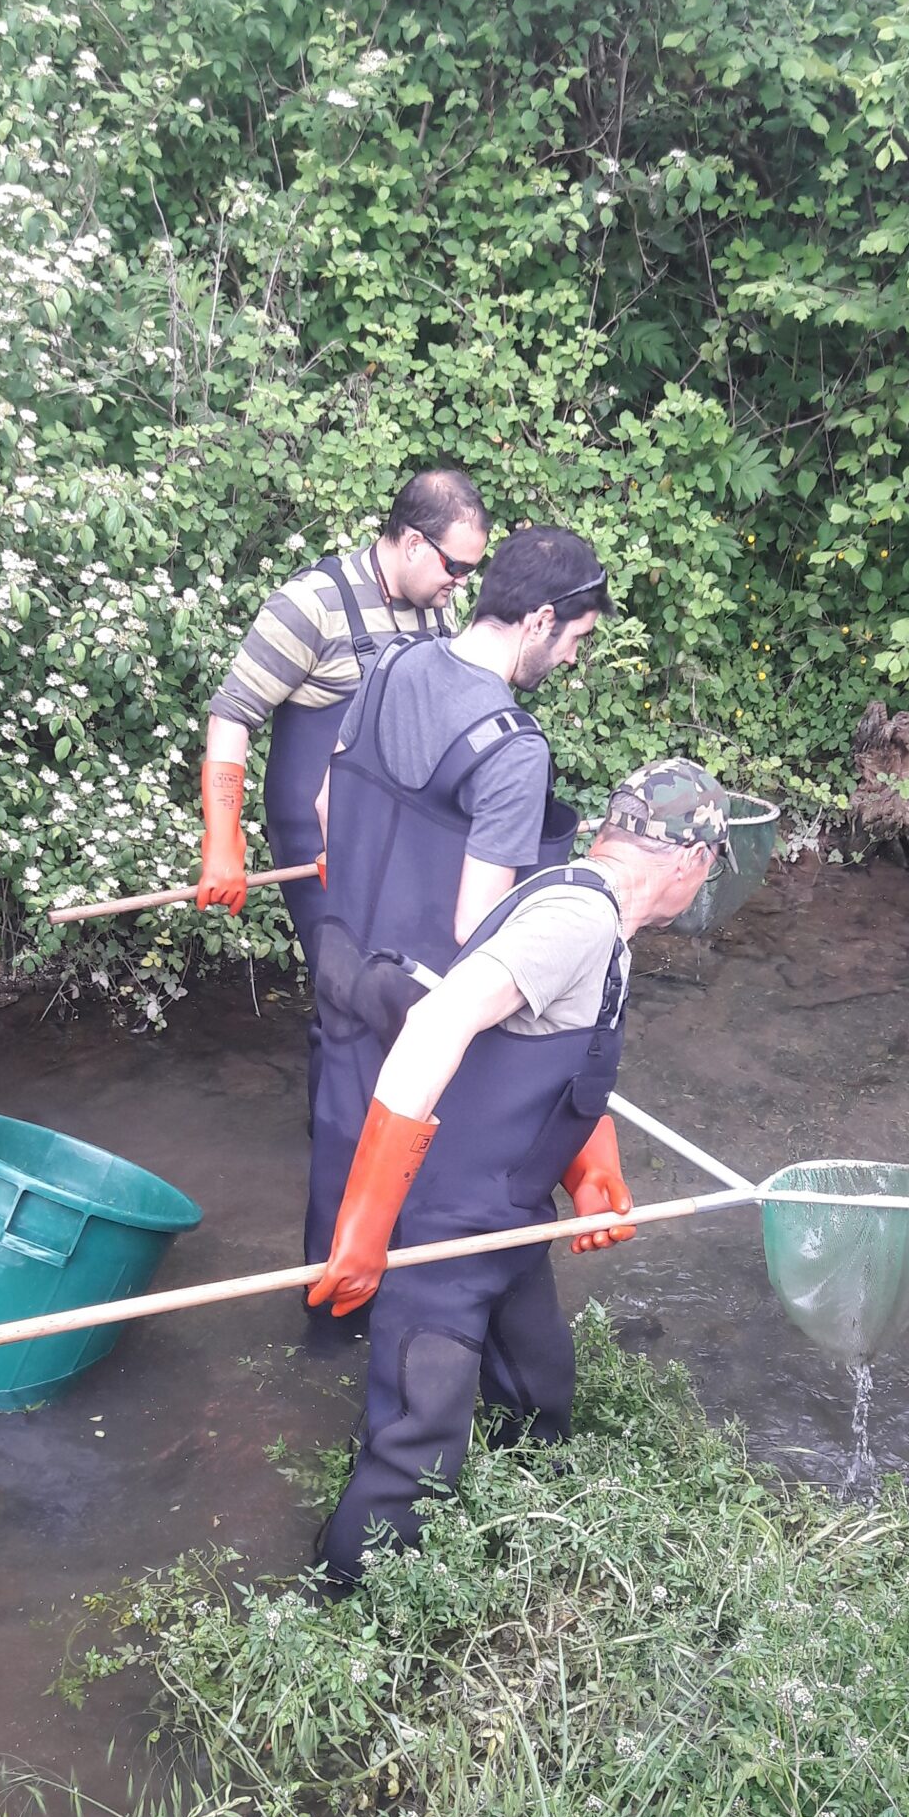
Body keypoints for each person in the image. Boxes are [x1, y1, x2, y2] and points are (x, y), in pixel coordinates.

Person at [306, 760, 730, 1588]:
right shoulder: (574, 918)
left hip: (511, 1213)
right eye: (710, 866)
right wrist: (364, 1225)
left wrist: (591, 1165)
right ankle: (342, 1611)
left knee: (537, 1398)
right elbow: (435, 1026)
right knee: (415, 1449)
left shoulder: (601, 918)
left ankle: (519, 1557)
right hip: (446, 1224)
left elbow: (547, 1055)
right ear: (691, 862)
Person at [302, 524, 606, 1269]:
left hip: (343, 967)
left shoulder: (388, 666)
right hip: (423, 1004)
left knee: (339, 1174)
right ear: (539, 620)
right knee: (421, 1221)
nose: (574, 656)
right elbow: (480, 926)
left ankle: (317, 1340)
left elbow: (321, 810)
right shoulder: (512, 746)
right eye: (575, 638)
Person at [195, 468, 491, 970]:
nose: (460, 584)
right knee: (349, 993)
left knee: (416, 985)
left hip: (399, 837)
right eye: (455, 567)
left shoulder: (436, 608)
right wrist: (223, 841)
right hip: (318, 845)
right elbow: (231, 716)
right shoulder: (310, 605)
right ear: (415, 543)